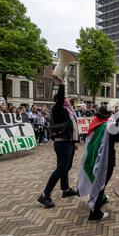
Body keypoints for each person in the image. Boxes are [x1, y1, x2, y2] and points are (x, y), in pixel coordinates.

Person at [38, 79, 79, 209]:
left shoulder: (68, 110)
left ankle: (65, 189)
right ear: (59, 100)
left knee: (66, 167)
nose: (67, 99)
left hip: (69, 142)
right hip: (62, 144)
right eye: (65, 98)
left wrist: (74, 142)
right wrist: (61, 84)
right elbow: (61, 97)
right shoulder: (58, 108)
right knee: (61, 168)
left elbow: (72, 127)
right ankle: (45, 195)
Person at [78, 106, 119, 221]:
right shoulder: (108, 125)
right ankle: (95, 213)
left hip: (95, 157)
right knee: (102, 181)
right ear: (109, 114)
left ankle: (101, 198)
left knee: (100, 180)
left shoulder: (95, 122)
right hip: (106, 158)